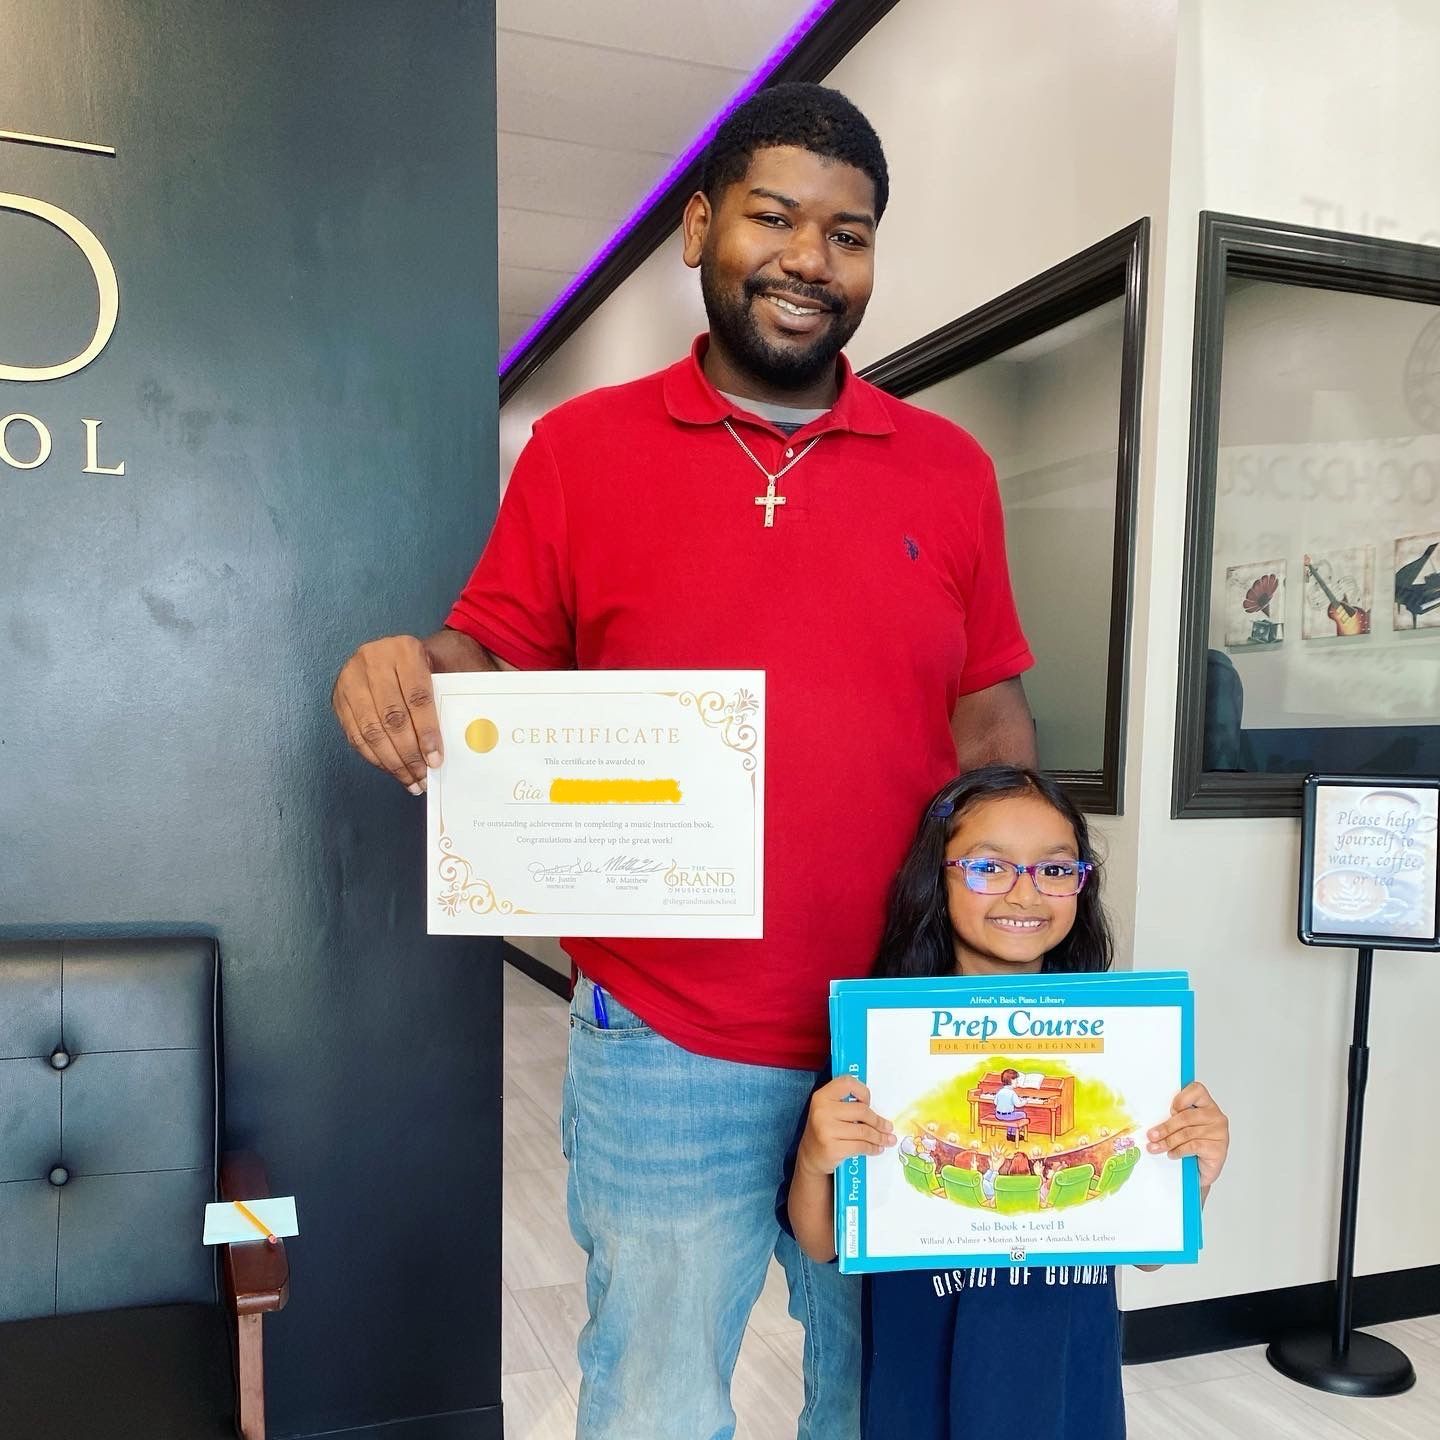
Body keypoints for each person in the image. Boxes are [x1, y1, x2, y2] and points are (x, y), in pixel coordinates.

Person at [331, 82, 1038, 1440]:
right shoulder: (580, 449)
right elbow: (494, 657)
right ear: (702, 227)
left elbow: (992, 721)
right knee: (653, 1397)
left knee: (878, 1396)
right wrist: (414, 669)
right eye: (776, 217)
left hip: (894, 1031)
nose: (811, 261)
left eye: (850, 234)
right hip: (666, 1035)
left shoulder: (948, 469)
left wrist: (1028, 949)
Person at [783, 765, 1230, 1439]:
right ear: (937, 876)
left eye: (1055, 870)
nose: (1025, 892)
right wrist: (816, 1158)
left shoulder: (1122, 1046)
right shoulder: (877, 1044)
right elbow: (820, 1243)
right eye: (989, 865)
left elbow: (1147, 1251)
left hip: (1064, 1368)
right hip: (920, 1367)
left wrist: (1191, 1175)